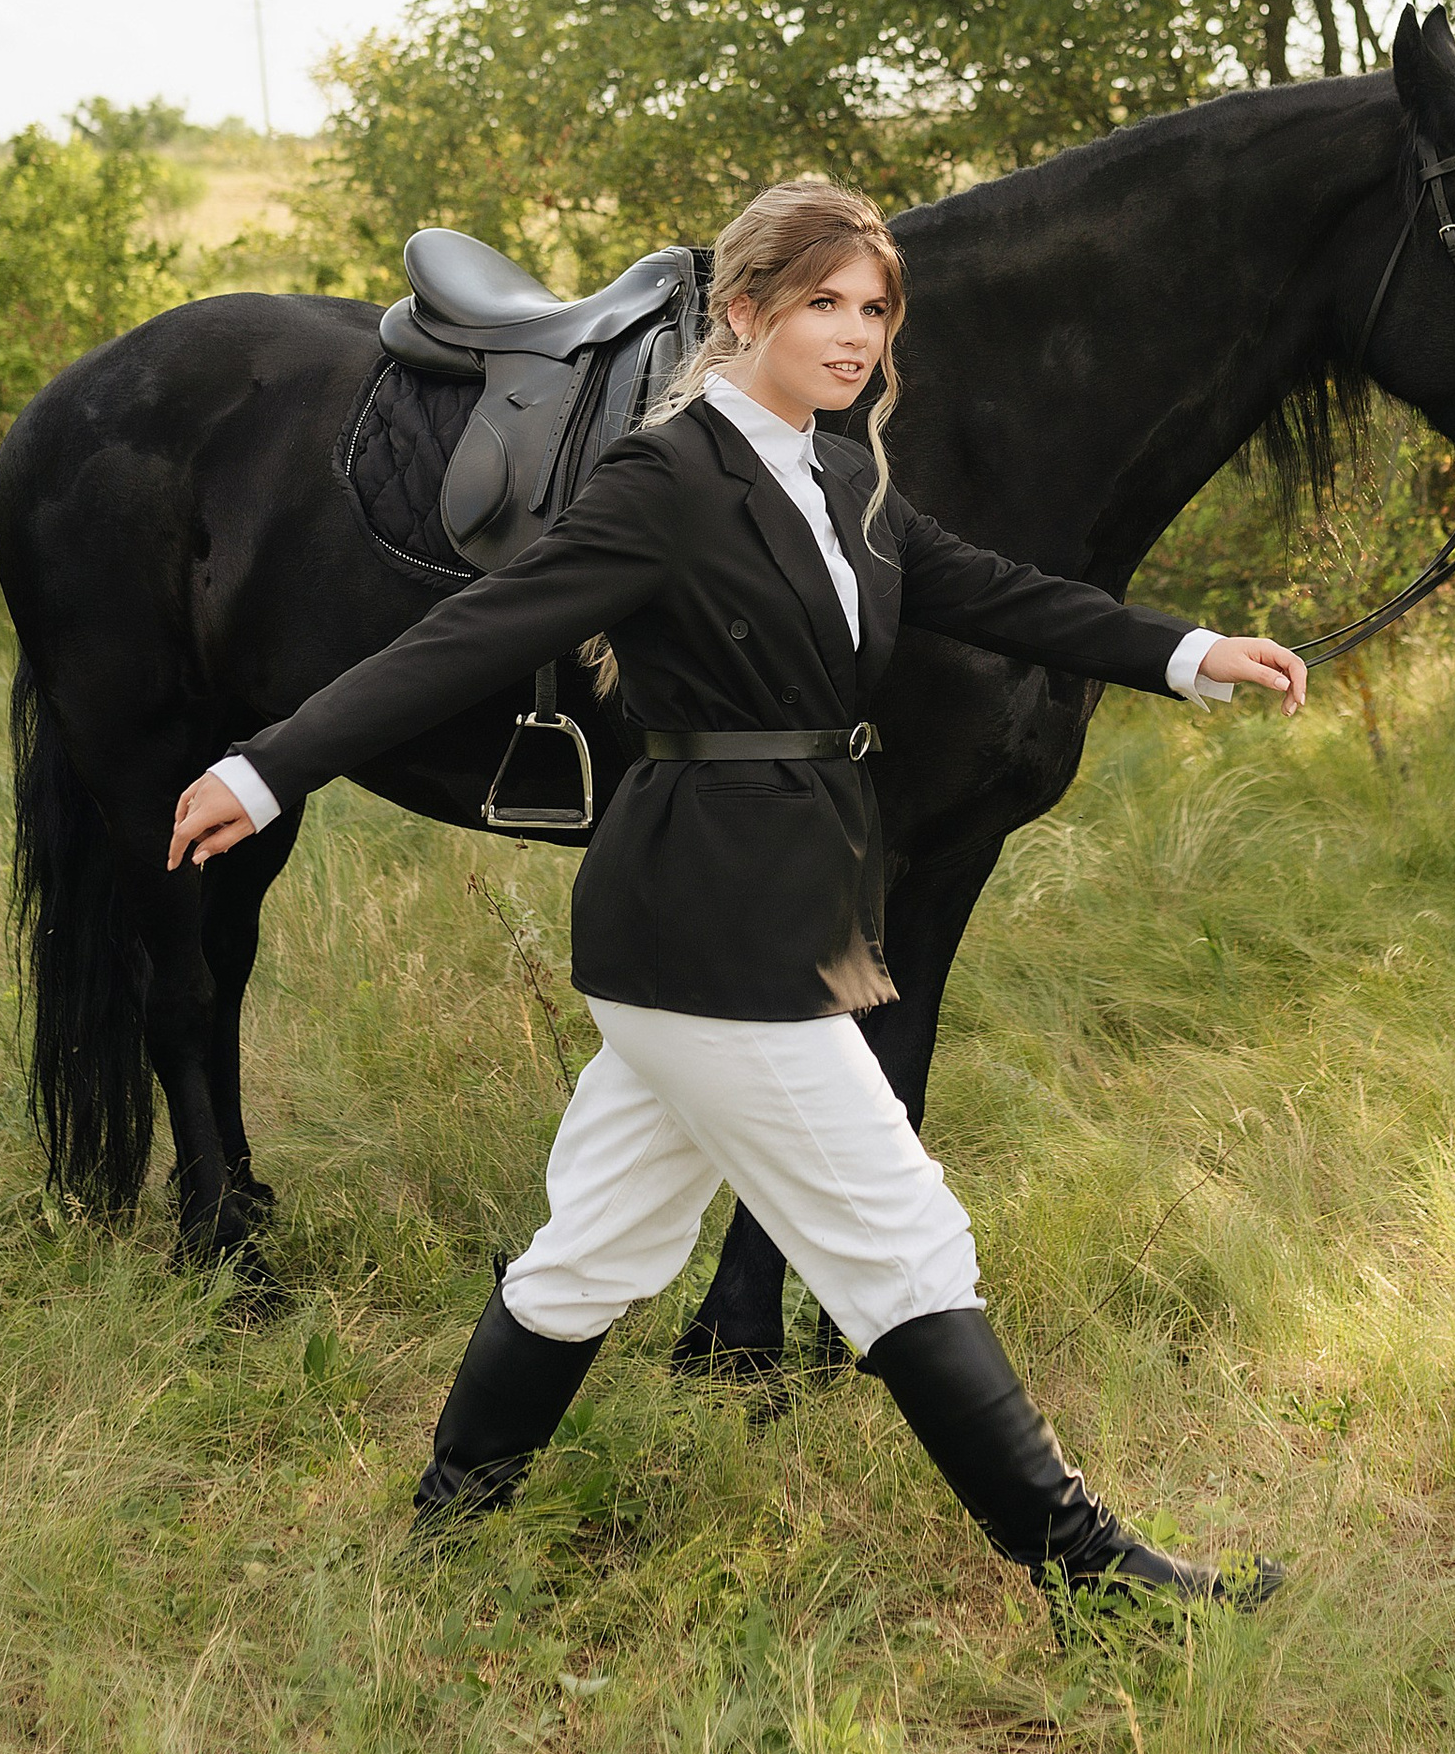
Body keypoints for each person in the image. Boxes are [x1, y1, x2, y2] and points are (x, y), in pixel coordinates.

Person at [169, 179, 1307, 1610]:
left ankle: (445, 1531)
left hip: (768, 906)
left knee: (598, 1243)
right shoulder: (666, 478)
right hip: (702, 920)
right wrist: (269, 767)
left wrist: (1188, 650)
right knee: (903, 1240)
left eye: (876, 307)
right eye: (824, 303)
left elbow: (992, 589)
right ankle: (1092, 1573)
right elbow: (473, 635)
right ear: (746, 309)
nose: (856, 334)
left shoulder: (841, 477)